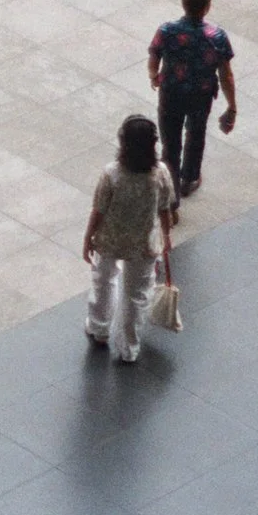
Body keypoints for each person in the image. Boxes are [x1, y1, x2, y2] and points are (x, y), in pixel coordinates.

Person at [83, 115, 176, 365]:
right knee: (136, 295)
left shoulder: (112, 174)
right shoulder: (160, 174)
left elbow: (99, 209)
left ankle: (99, 328)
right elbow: (165, 209)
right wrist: (167, 237)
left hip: (110, 239)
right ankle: (129, 347)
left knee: (104, 281)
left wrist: (88, 238)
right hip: (143, 244)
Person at [148, 0, 237, 212]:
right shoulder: (216, 36)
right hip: (201, 95)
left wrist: (153, 75)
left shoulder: (167, 31)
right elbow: (226, 75)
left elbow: (154, 55)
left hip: (171, 94)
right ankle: (189, 179)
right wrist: (231, 106)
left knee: (170, 144)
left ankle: (171, 194)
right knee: (196, 135)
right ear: (207, 7)